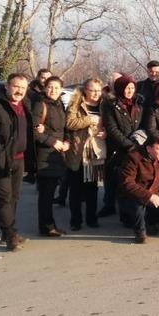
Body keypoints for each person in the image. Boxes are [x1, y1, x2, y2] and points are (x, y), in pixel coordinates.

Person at [0, 73, 36, 251]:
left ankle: (7, 231)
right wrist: (0, 152)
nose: (19, 90)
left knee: (15, 197)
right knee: (4, 198)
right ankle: (11, 235)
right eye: (16, 86)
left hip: (19, 159)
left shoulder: (25, 105)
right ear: (7, 86)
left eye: (23, 87)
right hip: (0, 161)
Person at [65, 78, 108, 231]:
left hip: (95, 152)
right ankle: (75, 220)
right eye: (92, 90)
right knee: (76, 188)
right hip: (78, 151)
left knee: (92, 187)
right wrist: (89, 119)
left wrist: (106, 133)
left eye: (98, 90)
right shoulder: (76, 104)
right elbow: (69, 123)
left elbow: (110, 123)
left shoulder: (104, 105)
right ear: (85, 90)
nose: (95, 93)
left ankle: (91, 218)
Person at [99, 74, 144, 218]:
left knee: (129, 179)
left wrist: (137, 143)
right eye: (126, 88)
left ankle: (127, 211)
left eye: (132, 88)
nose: (129, 91)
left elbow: (143, 125)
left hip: (136, 146)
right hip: (117, 147)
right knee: (113, 177)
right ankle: (109, 205)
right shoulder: (110, 104)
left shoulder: (138, 102)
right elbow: (112, 129)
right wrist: (128, 145)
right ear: (119, 88)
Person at [31, 76, 70, 237]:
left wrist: (66, 141)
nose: (53, 90)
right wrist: (52, 141)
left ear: (61, 89)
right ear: (44, 88)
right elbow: (34, 131)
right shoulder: (40, 104)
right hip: (45, 154)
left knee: (50, 191)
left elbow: (64, 127)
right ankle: (46, 227)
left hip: (58, 153)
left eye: (56, 87)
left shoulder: (59, 104)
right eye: (50, 87)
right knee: (46, 194)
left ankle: (50, 224)